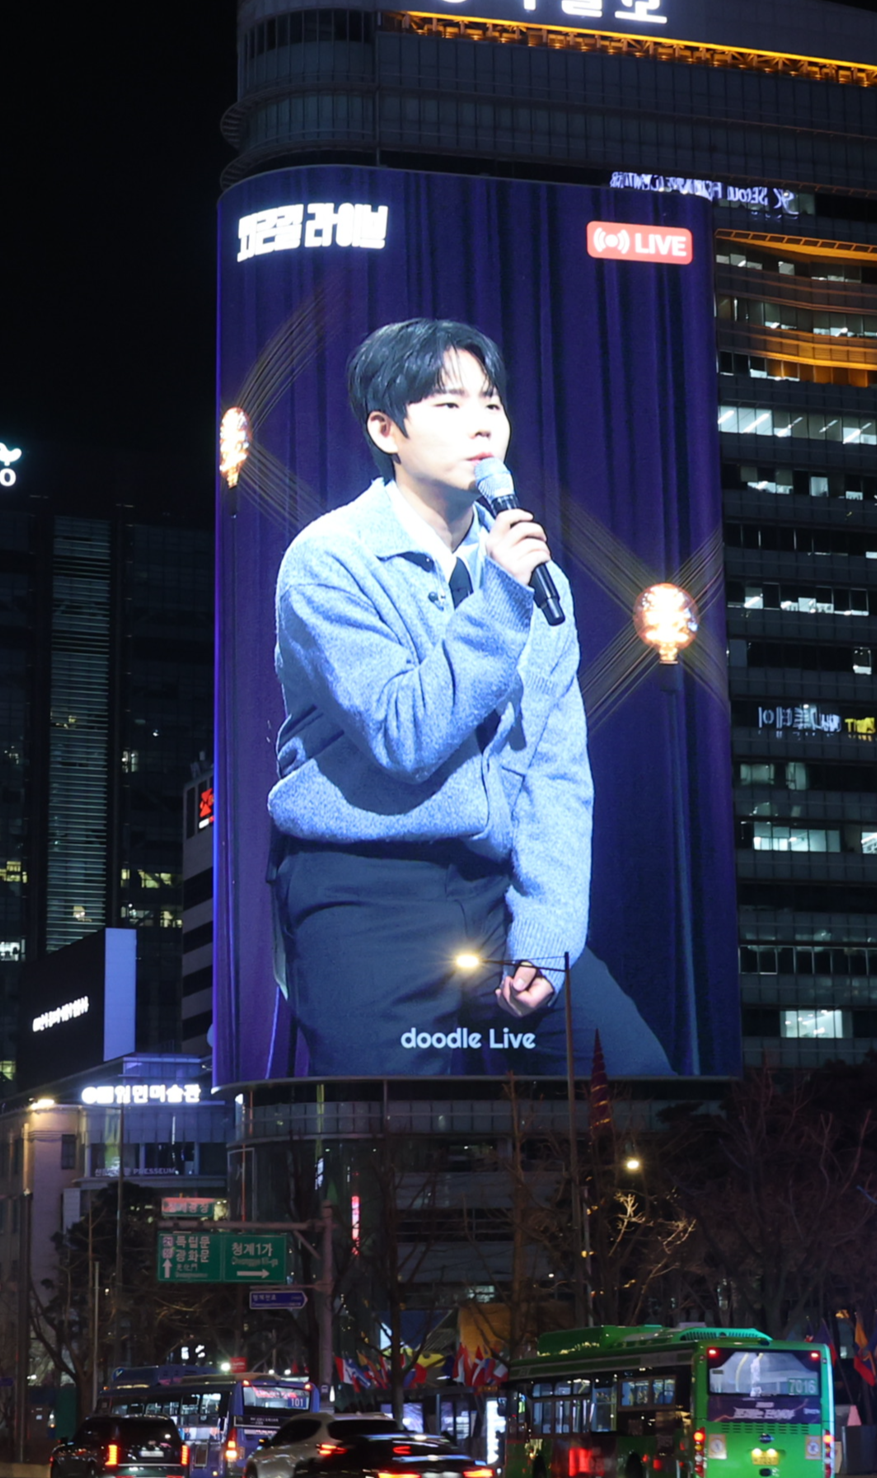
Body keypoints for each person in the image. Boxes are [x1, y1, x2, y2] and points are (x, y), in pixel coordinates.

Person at [268, 316, 668, 1077]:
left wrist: (547, 933)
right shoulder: (329, 561)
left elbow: (555, 768)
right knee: (389, 1130)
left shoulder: (532, 573)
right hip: (361, 884)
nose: (481, 423)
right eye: (448, 404)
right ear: (386, 430)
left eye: (491, 402)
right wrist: (501, 599)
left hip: (492, 888)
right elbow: (405, 735)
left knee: (643, 1086)